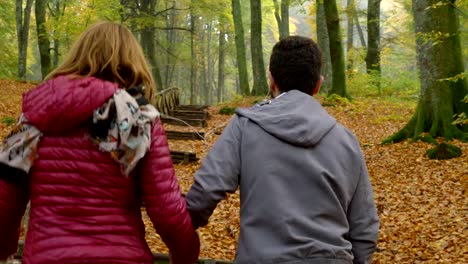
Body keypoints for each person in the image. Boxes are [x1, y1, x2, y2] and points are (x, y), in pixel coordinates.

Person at [0, 21, 199, 264]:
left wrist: (5, 250)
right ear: (131, 61)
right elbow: (168, 213)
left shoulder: (33, 117)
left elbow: (4, 204)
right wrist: (185, 256)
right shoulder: (138, 118)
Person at [186, 36, 379, 264]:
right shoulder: (346, 141)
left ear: (271, 79)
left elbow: (204, 194)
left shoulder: (245, 126)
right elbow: (364, 228)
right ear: (318, 84)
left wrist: (176, 227)